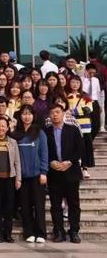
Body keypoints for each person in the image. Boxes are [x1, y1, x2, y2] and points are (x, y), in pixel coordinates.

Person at [46, 103, 84, 243]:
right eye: (52, 113)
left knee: (73, 204)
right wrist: (50, 162)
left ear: (63, 113)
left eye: (57, 112)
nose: (55, 115)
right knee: (55, 205)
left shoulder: (73, 130)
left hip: (71, 172)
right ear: (49, 115)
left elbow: (80, 149)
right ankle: (59, 231)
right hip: (54, 172)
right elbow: (43, 150)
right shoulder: (46, 132)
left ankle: (74, 231)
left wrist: (70, 161)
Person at [12, 104, 49, 243]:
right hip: (21, 177)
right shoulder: (16, 134)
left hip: (37, 175)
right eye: (24, 114)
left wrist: (43, 172)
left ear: (33, 116)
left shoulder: (39, 133)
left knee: (39, 206)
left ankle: (41, 233)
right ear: (20, 116)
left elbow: (44, 153)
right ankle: (29, 232)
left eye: (29, 114)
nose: (26, 117)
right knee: (25, 206)